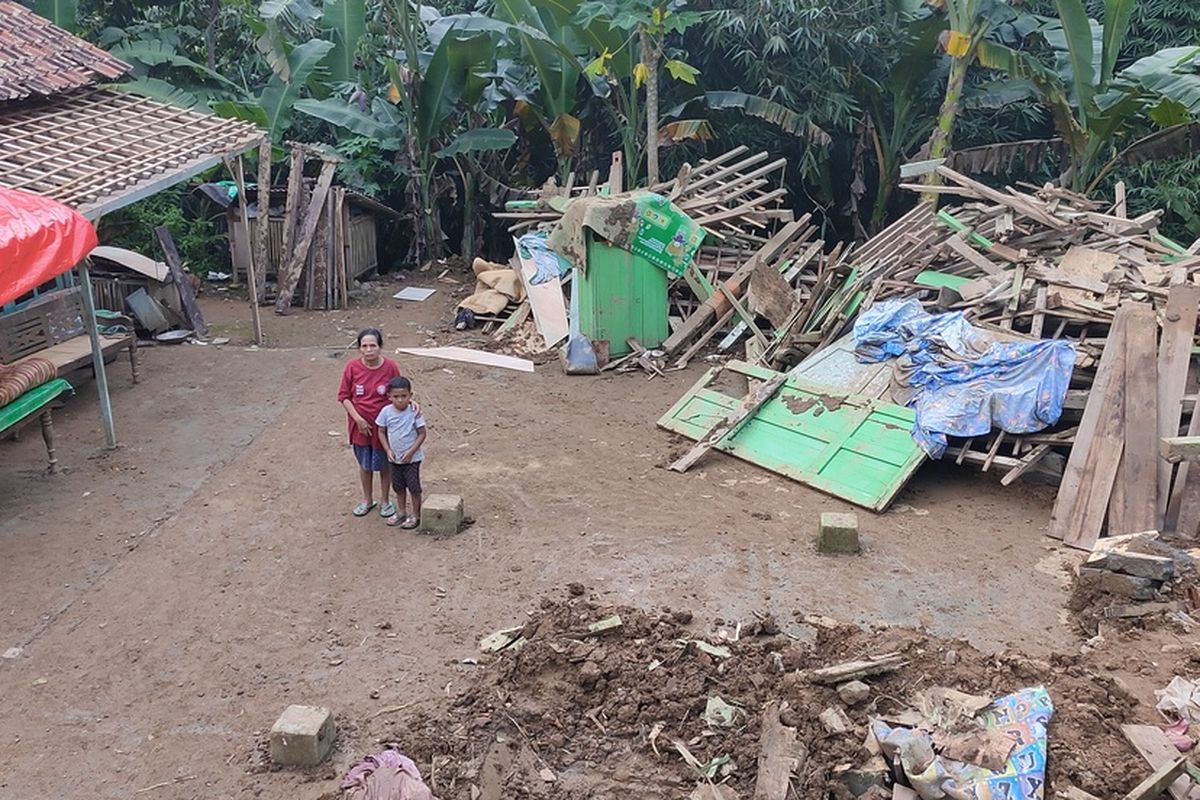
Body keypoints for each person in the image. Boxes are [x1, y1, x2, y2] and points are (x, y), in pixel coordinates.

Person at [337, 328, 402, 518]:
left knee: (384, 464)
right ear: (359, 349)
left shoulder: (390, 367)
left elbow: (400, 392)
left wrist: (411, 405)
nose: (368, 350)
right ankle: (367, 500)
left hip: (384, 428)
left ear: (380, 347)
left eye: (373, 345)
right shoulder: (352, 367)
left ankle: (385, 501)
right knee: (364, 465)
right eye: (364, 346)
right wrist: (358, 419)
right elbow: (344, 396)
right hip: (360, 428)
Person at [375, 377, 427, 529]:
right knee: (398, 486)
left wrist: (411, 452)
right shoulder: (386, 412)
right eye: (396, 396)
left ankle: (416, 515)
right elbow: (381, 431)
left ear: (410, 396)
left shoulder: (414, 412)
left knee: (414, 487)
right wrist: (387, 450)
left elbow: (422, 433)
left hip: (412, 459)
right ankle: (401, 512)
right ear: (389, 397)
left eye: (404, 396)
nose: (400, 400)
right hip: (394, 458)